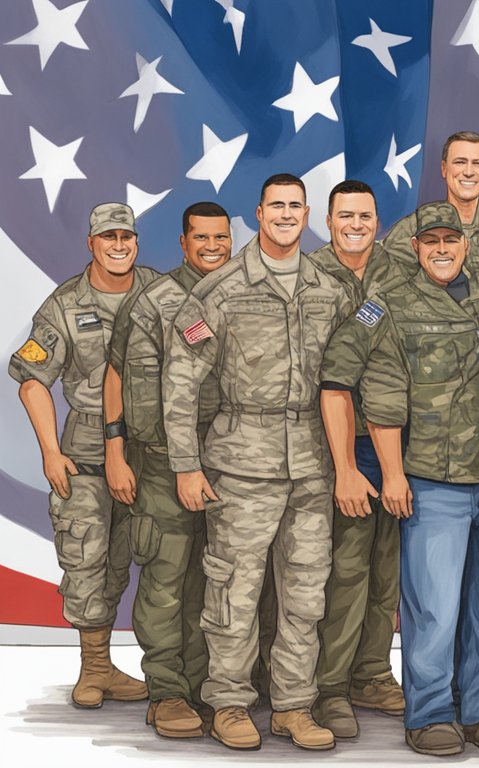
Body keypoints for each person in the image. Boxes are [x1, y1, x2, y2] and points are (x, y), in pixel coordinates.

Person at [320, 201, 479, 756]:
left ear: (466, 245)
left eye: (451, 240)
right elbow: (370, 393)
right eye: (430, 241)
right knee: (432, 607)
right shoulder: (386, 308)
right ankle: (431, 713)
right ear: (414, 248)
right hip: (434, 482)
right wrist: (389, 473)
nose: (441, 249)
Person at [163, 174, 354, 751]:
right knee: (234, 589)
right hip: (241, 462)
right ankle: (228, 702)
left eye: (297, 206)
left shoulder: (333, 288)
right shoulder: (220, 291)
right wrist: (185, 465)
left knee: (305, 591)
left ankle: (294, 706)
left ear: (307, 214)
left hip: (314, 463)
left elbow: (364, 349)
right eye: (277, 206)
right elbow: (180, 381)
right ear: (259, 213)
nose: (287, 215)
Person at [9, 202, 156, 709]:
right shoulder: (64, 305)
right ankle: (95, 667)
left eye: (127, 238)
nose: (119, 246)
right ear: (91, 244)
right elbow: (32, 380)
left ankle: (178, 674)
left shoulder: (159, 292)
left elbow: (198, 342)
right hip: (87, 456)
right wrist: (50, 451)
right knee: (89, 560)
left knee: (160, 562)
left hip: (154, 452)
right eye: (109, 238)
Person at [103, 202, 232, 738]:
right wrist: (114, 450)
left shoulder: (240, 293)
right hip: (159, 466)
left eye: (220, 237)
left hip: (229, 463)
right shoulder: (152, 301)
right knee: (166, 577)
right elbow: (115, 375)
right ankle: (167, 691)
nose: (211, 246)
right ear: (182, 243)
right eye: (199, 237)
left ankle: (207, 686)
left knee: (218, 580)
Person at [307, 180, 410, 738]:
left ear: (377, 220)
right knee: (343, 570)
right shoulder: (308, 273)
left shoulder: (400, 269)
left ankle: (373, 671)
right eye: (345, 215)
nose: (356, 224)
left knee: (384, 569)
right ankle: (330, 686)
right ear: (328, 219)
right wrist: (343, 463)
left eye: (366, 215)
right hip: (330, 444)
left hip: (391, 442)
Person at [383, 131, 479, 274]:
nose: (469, 172)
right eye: (460, 162)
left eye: (477, 163)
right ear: (444, 169)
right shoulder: (410, 228)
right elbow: (391, 288)